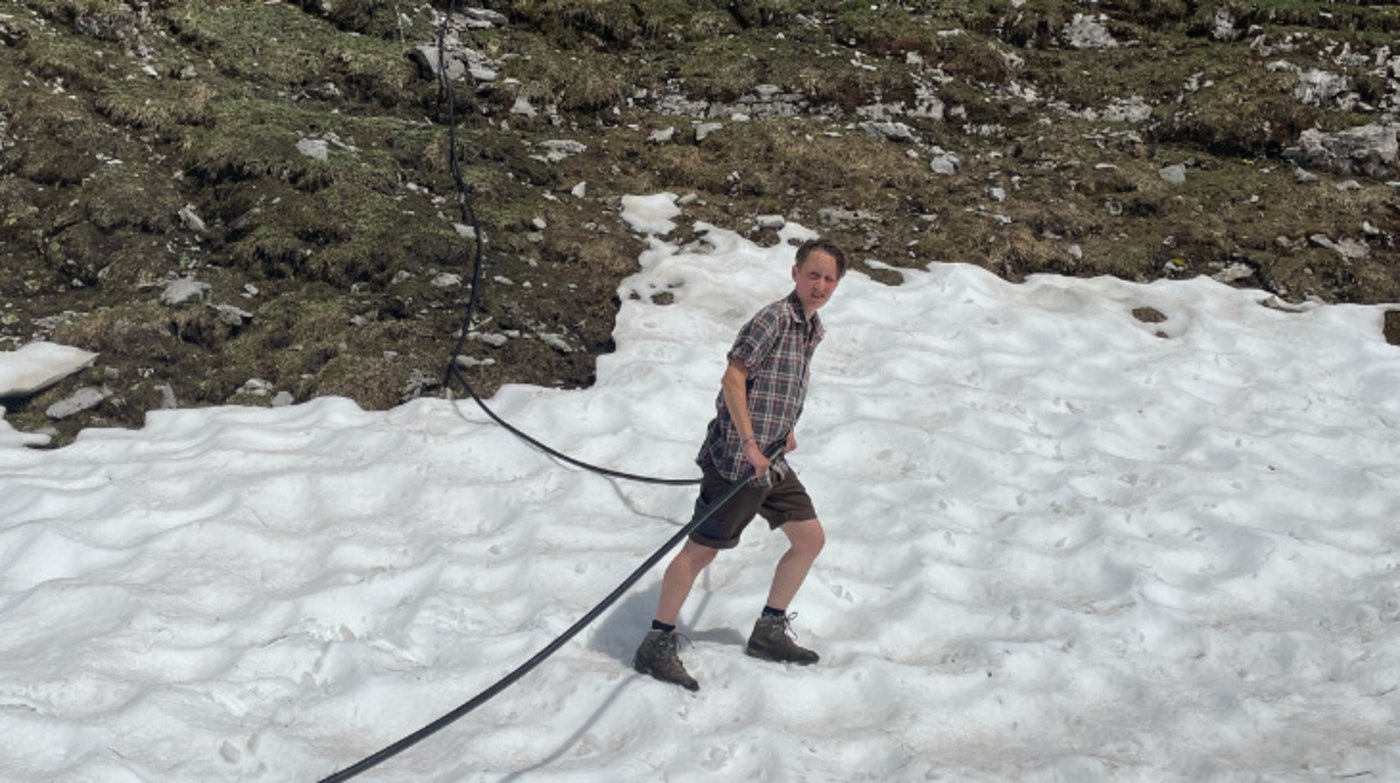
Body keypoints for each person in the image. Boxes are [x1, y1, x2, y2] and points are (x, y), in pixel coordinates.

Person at [632, 237, 848, 691]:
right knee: (702, 550)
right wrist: (750, 443)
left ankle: (768, 632)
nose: (820, 285)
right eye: (813, 274)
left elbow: (778, 384)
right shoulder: (773, 319)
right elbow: (734, 377)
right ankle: (656, 642)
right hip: (737, 460)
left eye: (829, 278)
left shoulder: (811, 328)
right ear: (795, 273)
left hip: (769, 461)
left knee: (809, 538)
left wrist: (783, 430)